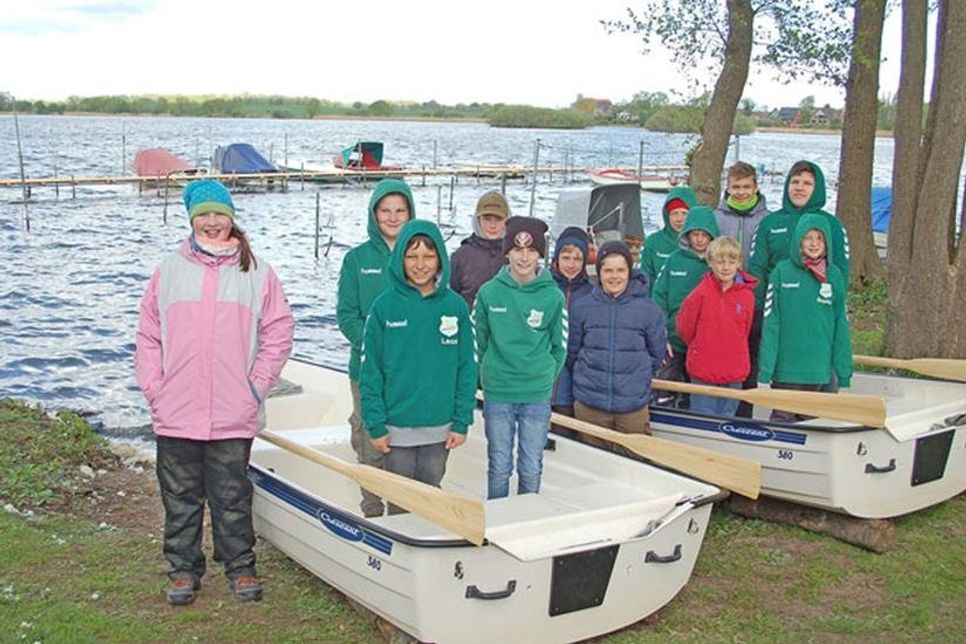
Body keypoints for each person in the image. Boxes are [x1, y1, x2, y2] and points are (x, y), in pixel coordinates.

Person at [135, 179, 294, 605]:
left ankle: (240, 566)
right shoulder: (169, 270)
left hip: (232, 409)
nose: (211, 222)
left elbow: (279, 332)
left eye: (219, 214)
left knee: (232, 495)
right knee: (181, 496)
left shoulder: (256, 271)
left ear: (231, 218)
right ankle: (183, 568)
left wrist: (255, 386)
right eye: (203, 214)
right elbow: (148, 335)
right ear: (191, 218)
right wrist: (155, 387)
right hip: (177, 410)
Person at [360, 220, 476, 513]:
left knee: (431, 490)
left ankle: (427, 546)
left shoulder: (456, 307)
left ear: (440, 259)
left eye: (428, 255)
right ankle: (400, 551)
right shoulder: (384, 307)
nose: (420, 264)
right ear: (400, 259)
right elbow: (370, 371)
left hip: (440, 427)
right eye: (412, 256)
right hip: (396, 426)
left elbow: (467, 369)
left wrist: (461, 421)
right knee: (401, 496)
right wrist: (375, 424)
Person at [337, 179, 414, 517]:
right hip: (368, 368)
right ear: (374, 214)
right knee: (370, 437)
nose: (393, 217)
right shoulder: (357, 260)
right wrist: (374, 349)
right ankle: (371, 507)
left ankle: (402, 511)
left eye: (400, 210)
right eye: (386, 210)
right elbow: (347, 315)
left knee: (404, 441)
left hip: (410, 372)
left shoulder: (423, 257)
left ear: (411, 213)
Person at [475, 216, 566, 499]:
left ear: (540, 254)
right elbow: (478, 342)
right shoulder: (489, 293)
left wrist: (543, 376)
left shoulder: (553, 296)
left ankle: (527, 521)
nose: (524, 257)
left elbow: (559, 345)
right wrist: (487, 376)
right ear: (507, 253)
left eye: (531, 251)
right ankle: (497, 521)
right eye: (517, 250)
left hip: (536, 393)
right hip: (499, 392)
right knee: (500, 465)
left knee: (530, 466)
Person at [567, 241, 665, 441]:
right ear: (599, 273)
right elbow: (572, 352)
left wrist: (635, 381)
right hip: (590, 404)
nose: (614, 276)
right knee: (590, 464)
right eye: (608, 270)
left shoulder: (649, 310)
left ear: (629, 271)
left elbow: (656, 354)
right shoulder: (581, 307)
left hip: (632, 406)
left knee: (632, 464)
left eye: (621, 270)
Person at [758, 214, 852, 422]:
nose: (814, 243)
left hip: (818, 369)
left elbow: (840, 327)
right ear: (798, 241)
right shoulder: (782, 273)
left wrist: (844, 371)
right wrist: (765, 370)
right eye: (808, 238)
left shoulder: (833, 275)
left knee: (810, 422)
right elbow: (771, 323)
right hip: (786, 369)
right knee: (783, 418)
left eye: (819, 238)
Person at [676, 236, 757, 416]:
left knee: (726, 421)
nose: (726, 267)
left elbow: (745, 329)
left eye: (731, 261)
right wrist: (700, 346)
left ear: (739, 263)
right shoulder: (699, 294)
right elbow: (684, 328)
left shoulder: (747, 297)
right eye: (720, 262)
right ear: (710, 262)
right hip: (703, 370)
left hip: (734, 371)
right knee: (703, 420)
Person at [651, 205, 720, 404]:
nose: (699, 239)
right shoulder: (674, 261)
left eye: (704, 234)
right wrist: (662, 333)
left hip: (704, 342)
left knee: (698, 393)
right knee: (665, 386)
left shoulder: (716, 264)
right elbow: (658, 296)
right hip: (674, 339)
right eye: (694, 234)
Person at [548, 226, 593, 419]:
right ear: (557, 258)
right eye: (566, 257)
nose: (571, 264)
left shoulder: (592, 293)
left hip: (573, 378)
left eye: (577, 258)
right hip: (543, 373)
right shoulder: (543, 286)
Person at [449, 190, 509, 307]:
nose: (493, 225)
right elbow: (452, 294)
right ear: (478, 219)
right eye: (487, 219)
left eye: (498, 219)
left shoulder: (514, 254)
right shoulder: (461, 256)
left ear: (507, 220)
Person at [639, 186, 698, 286]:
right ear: (667, 216)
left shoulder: (700, 242)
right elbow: (645, 277)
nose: (679, 219)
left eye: (684, 213)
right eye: (674, 213)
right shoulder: (653, 242)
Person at [713, 161, 769, 260]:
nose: (741, 192)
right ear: (728, 189)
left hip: (756, 275)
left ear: (755, 188)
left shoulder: (767, 218)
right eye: (736, 187)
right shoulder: (716, 218)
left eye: (747, 187)